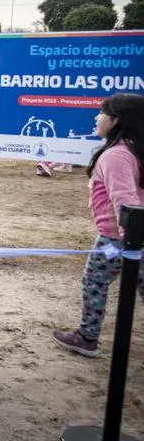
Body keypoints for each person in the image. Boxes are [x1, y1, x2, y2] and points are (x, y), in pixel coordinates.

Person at [53, 94, 144, 357]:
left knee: (94, 282)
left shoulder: (116, 156)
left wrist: (130, 242)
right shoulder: (134, 150)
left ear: (117, 120)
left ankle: (87, 336)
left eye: (102, 113)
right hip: (131, 238)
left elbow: (125, 200)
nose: (96, 117)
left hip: (118, 239)